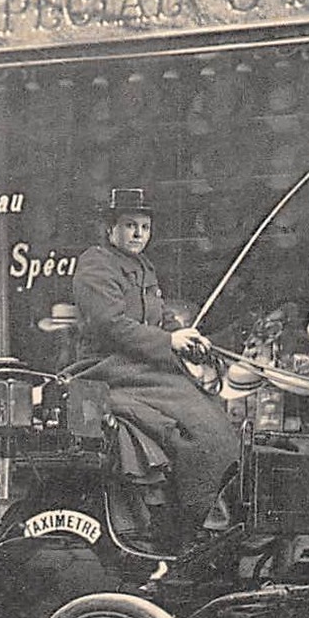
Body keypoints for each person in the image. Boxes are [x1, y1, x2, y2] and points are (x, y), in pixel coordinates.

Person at [70, 187, 238, 554]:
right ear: (110, 228)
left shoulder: (144, 268)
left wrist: (183, 336)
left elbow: (156, 320)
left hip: (144, 368)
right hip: (105, 370)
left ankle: (208, 511)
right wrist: (168, 343)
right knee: (196, 424)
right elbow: (110, 325)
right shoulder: (95, 264)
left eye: (144, 227)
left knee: (210, 411)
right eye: (129, 225)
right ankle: (197, 520)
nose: (137, 234)